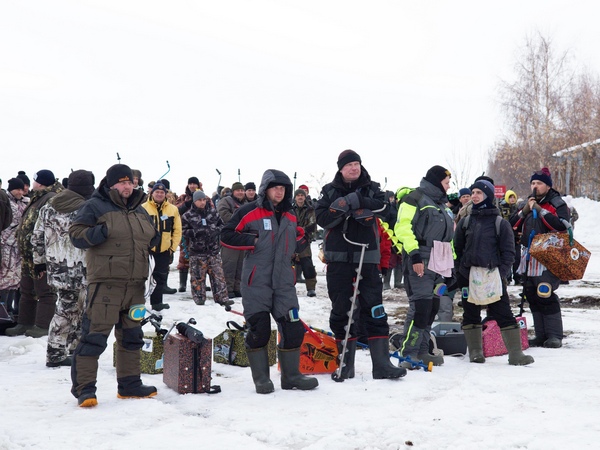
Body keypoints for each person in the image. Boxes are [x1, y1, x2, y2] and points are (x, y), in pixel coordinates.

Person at [68, 164, 160, 407]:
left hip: (136, 288)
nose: (127, 186)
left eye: (130, 182)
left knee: (132, 336)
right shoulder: (94, 206)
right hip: (105, 288)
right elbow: (76, 235)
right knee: (94, 338)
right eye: (122, 182)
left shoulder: (140, 210)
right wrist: (102, 231)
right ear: (110, 185)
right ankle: (85, 390)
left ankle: (130, 385)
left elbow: (150, 238)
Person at [221, 169, 318, 393]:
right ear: (266, 189)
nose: (280, 192)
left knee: (293, 329)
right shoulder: (249, 211)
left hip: (284, 281)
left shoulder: (290, 215)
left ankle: (291, 376)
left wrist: (298, 244)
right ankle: (262, 379)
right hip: (257, 281)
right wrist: (253, 241)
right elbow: (226, 234)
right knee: (259, 330)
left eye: (283, 188)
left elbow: (300, 235)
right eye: (275, 187)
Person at [315, 150, 405, 380]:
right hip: (338, 260)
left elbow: (389, 211)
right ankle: (345, 364)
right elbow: (322, 218)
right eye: (349, 165)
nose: (354, 168)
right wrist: (343, 207)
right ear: (341, 168)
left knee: (374, 309)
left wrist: (361, 201)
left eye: (357, 164)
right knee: (341, 311)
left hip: (368, 257)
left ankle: (382, 365)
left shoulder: (373, 188)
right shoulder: (328, 190)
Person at [454, 180, 534, 366]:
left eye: (478, 193)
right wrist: (461, 271)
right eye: (473, 192)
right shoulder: (465, 221)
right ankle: (475, 353)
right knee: (470, 313)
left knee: (503, 313)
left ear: (488, 196)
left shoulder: (500, 223)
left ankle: (515, 354)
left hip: (492, 276)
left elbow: (508, 252)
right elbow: (457, 249)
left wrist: (502, 273)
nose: (474, 196)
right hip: (469, 276)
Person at [31, 170, 95, 367]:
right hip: (82, 267)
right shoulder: (88, 208)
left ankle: (64, 350)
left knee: (67, 308)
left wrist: (39, 262)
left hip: (58, 268)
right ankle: (64, 352)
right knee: (76, 310)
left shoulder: (49, 206)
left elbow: (36, 236)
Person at [394, 165, 455, 369]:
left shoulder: (441, 204)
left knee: (432, 308)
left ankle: (422, 350)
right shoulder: (414, 198)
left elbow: (449, 239)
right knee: (420, 308)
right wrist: (415, 255)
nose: (449, 186)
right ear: (437, 181)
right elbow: (402, 228)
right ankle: (408, 353)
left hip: (440, 263)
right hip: (421, 259)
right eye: (446, 182)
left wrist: (452, 265)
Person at [509, 167, 570, 348]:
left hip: (549, 256)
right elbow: (511, 224)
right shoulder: (526, 204)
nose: (535, 186)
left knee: (545, 292)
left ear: (547, 185)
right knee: (531, 293)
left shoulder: (557, 203)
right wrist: (525, 211)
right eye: (533, 183)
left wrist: (541, 211)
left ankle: (554, 335)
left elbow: (562, 226)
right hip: (528, 255)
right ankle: (541, 334)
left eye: (539, 183)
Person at [6, 170, 63, 337]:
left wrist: (43, 255)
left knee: (45, 291)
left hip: (41, 254)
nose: (32, 183)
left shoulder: (51, 198)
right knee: (26, 289)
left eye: (35, 180)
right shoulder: (38, 197)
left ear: (41, 182)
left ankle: (43, 325)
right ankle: (24, 322)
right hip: (28, 254)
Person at [181, 190, 232, 307]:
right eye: (199, 200)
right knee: (197, 278)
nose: (202, 202)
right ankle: (199, 298)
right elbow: (183, 231)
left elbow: (222, 225)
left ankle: (222, 298)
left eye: (204, 199)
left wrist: (214, 231)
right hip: (197, 252)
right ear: (194, 201)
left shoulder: (213, 213)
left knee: (218, 276)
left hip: (213, 251)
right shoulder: (187, 215)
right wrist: (196, 232)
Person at [142, 182, 182, 311]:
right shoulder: (143, 208)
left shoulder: (173, 209)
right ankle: (138, 303)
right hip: (147, 250)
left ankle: (157, 302)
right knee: (142, 277)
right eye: (157, 192)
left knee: (160, 277)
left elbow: (177, 230)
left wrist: (172, 248)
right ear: (152, 193)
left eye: (162, 192)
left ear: (165, 194)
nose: (159, 194)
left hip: (164, 250)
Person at [0, 178, 29, 315]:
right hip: (6, 245)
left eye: (21, 189)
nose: (20, 192)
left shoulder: (26, 202)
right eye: (17, 189)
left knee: (15, 280)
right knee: (4, 278)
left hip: (19, 247)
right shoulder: (6, 201)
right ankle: (4, 310)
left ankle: (10, 310)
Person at [218, 181, 246, 298]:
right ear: (233, 192)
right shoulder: (226, 201)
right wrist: (241, 221)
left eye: (241, 190)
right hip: (229, 238)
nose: (240, 192)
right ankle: (228, 289)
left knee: (241, 265)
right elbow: (224, 215)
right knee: (229, 264)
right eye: (238, 190)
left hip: (242, 238)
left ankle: (237, 287)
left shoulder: (246, 203)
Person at [175, 176, 202, 292]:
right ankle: (182, 284)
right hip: (185, 231)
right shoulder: (182, 197)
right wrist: (187, 204)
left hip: (200, 232)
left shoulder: (204, 197)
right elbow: (175, 210)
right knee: (184, 256)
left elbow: (211, 210)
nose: (192, 186)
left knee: (201, 258)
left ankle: (201, 282)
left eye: (194, 184)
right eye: (190, 183)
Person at [292, 188, 317, 297]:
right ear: (295, 197)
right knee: (288, 264)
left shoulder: (310, 210)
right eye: (298, 195)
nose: (300, 197)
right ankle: (288, 286)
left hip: (304, 240)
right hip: (291, 239)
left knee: (308, 265)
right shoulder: (290, 209)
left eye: (302, 195)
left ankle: (311, 288)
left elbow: (312, 224)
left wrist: (303, 231)